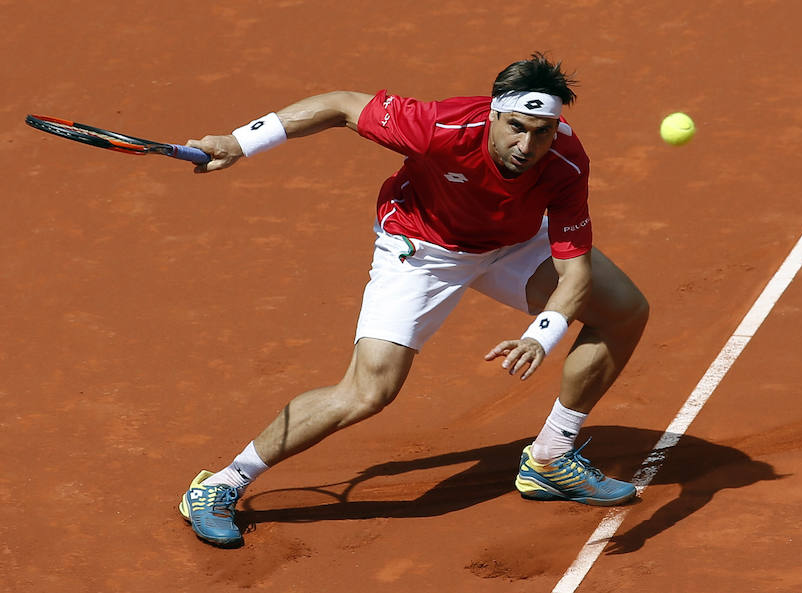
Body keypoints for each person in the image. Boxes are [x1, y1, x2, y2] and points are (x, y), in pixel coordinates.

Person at [178, 53, 649, 547]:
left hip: (512, 243)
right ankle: (221, 485)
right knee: (368, 391)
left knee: (624, 312)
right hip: (424, 249)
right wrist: (239, 142)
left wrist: (541, 336)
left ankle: (551, 458)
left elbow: (575, 271)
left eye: (542, 132)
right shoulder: (439, 126)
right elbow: (340, 105)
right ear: (493, 113)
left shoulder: (566, 161)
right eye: (515, 127)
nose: (526, 145)